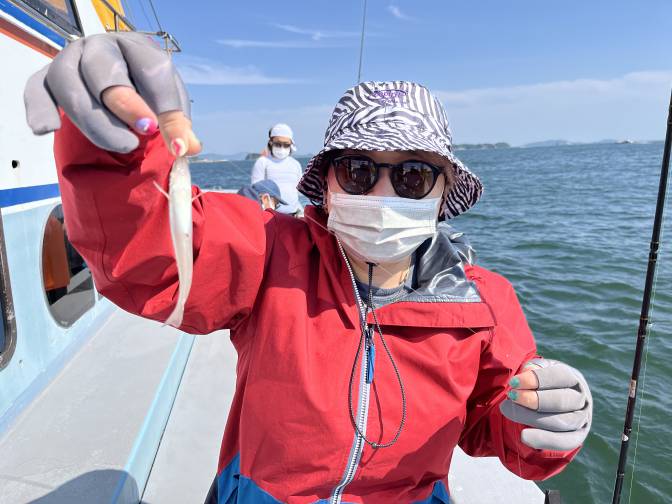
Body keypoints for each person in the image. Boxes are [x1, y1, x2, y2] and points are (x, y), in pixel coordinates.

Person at [24, 33, 592, 504]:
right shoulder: (270, 253)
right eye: (358, 171)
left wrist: (542, 424)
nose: (384, 193)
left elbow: (494, 422)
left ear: (443, 193)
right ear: (327, 185)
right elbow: (147, 253)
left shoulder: (486, 301)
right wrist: (115, 149)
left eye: (413, 176)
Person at [250, 123, 303, 216]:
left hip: (293, 215)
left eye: (286, 145)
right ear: (271, 142)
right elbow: (256, 191)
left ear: (291, 144)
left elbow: (299, 190)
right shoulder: (262, 162)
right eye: (278, 144)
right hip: (270, 216)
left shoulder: (296, 164)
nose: (282, 147)